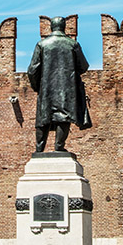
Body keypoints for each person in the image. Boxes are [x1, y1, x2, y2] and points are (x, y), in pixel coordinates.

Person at [26, 16, 91, 152]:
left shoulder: (42, 45)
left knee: (43, 118)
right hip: (67, 89)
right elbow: (84, 66)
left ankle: (39, 149)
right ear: (64, 27)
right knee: (64, 117)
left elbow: (32, 70)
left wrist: (38, 87)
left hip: (46, 89)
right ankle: (59, 147)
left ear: (51, 27)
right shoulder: (72, 44)